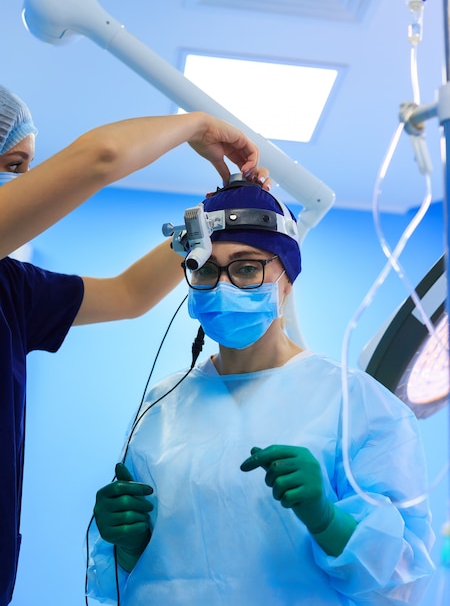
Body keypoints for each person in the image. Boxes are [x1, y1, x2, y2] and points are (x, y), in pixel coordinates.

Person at [88, 180, 435, 605]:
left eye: (247, 268)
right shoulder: (162, 406)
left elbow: (403, 584)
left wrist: (327, 519)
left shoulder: (357, 405)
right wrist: (127, 545)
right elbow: (132, 581)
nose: (221, 285)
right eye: (205, 269)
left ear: (287, 280)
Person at [0, 83, 269, 606]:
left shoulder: (12, 289)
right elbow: (101, 158)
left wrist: (211, 218)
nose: (22, 184)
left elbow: (129, 295)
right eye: (13, 164)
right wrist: (198, 125)